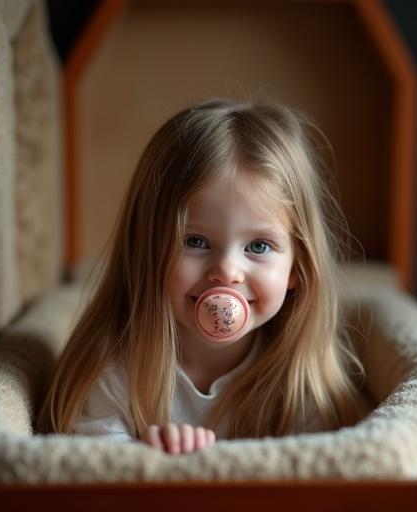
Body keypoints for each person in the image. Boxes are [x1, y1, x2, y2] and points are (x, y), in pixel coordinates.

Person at [38, 97, 369, 455]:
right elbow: (94, 480)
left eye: (258, 246)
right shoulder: (112, 372)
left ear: (297, 268)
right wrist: (151, 464)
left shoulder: (302, 385)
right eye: (196, 241)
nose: (227, 270)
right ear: (145, 251)